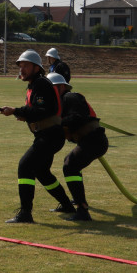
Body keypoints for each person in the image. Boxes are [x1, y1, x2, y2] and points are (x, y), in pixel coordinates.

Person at [0, 49, 75, 223]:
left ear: (36, 67)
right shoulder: (34, 85)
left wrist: (16, 110)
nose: (21, 69)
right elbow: (40, 112)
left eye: (25, 65)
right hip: (47, 135)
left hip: (50, 136)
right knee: (42, 172)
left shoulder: (40, 84)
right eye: (20, 66)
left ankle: (25, 213)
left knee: (24, 166)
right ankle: (67, 205)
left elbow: (44, 110)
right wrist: (25, 116)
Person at [47, 73, 107, 222]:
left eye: (51, 89)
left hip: (94, 140)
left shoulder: (70, 97)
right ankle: (77, 201)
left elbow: (77, 117)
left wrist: (57, 123)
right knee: (70, 163)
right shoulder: (61, 102)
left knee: (70, 165)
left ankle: (82, 210)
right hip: (89, 141)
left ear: (61, 87)